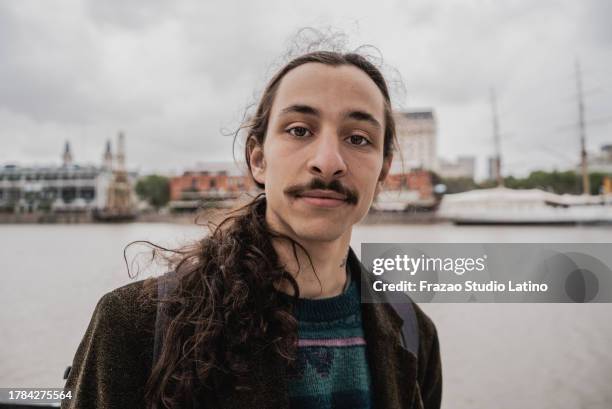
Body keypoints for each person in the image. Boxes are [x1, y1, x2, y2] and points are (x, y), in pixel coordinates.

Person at [61, 49, 442, 409]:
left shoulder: (413, 333)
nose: (328, 163)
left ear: (384, 172)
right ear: (258, 160)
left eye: (358, 138)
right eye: (298, 130)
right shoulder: (133, 325)